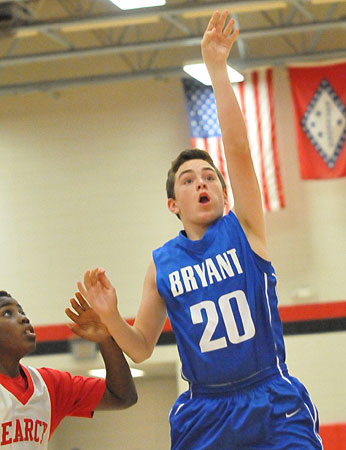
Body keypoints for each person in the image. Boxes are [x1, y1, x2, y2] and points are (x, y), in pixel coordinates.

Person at [76, 10, 323, 450]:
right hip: (205, 409)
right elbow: (142, 349)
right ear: (174, 204)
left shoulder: (245, 229)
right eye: (188, 180)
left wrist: (217, 71)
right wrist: (112, 316)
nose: (201, 182)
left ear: (225, 194)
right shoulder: (162, 263)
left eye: (209, 176)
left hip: (270, 396)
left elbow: (241, 150)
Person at [0, 290, 137, 448]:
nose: (23, 318)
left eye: (21, 311)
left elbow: (123, 396)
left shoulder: (49, 384)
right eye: (7, 313)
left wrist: (105, 339)